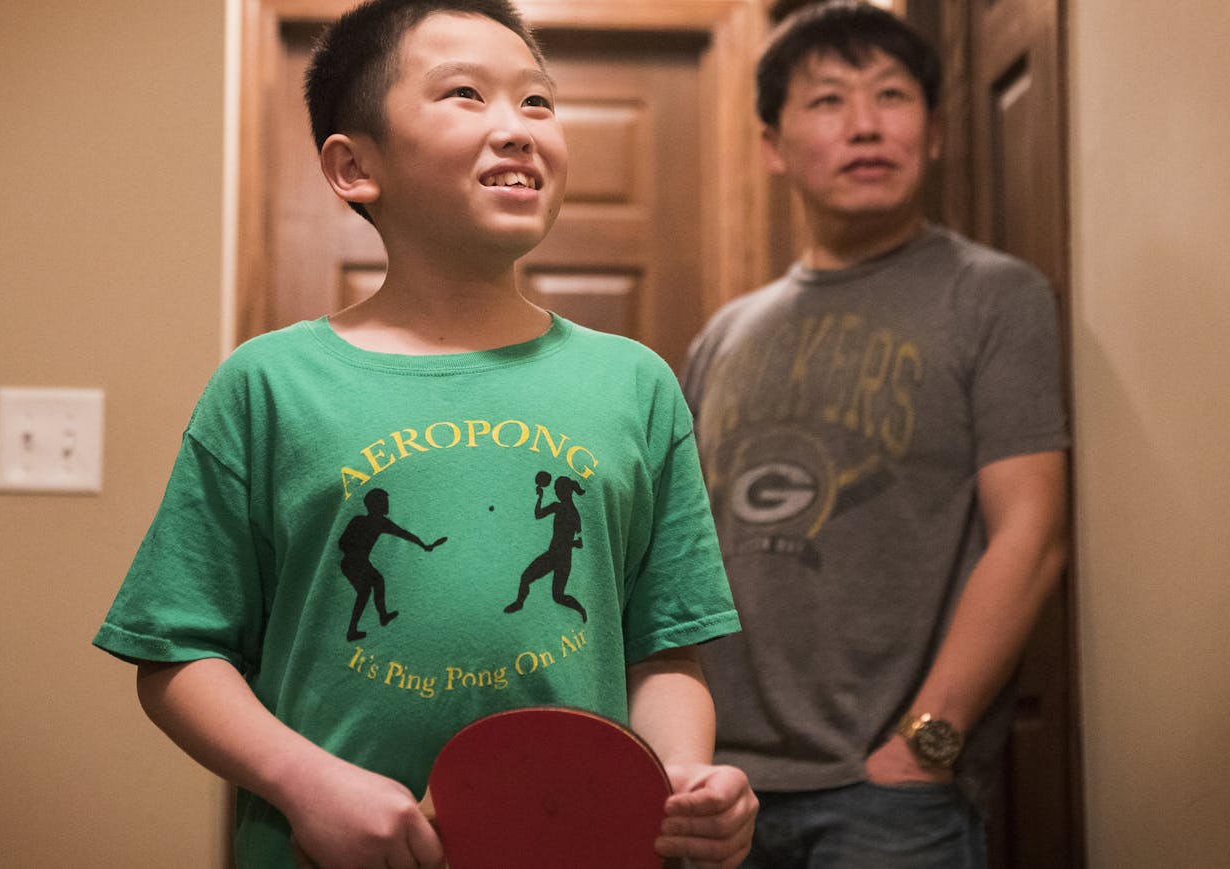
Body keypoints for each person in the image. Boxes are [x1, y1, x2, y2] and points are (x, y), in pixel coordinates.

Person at [93, 0, 757, 866]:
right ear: (353, 166)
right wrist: (304, 781)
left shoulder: (636, 384)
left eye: (538, 102)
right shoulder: (268, 385)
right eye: (465, 95)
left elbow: (663, 648)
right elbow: (177, 652)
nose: (517, 129)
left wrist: (680, 781)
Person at [679, 2, 1070, 867]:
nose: (865, 125)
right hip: (720, 793)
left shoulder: (993, 297)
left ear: (933, 133)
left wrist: (924, 746)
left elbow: (1032, 536)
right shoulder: (724, 336)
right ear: (773, 145)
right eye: (826, 102)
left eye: (892, 96)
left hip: (888, 798)